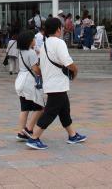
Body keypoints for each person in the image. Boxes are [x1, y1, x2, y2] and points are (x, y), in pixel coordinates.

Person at [26, 18, 85, 150]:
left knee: (64, 110)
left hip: (53, 84)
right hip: (57, 85)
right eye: (61, 27)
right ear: (58, 29)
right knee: (50, 112)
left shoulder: (44, 45)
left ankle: (72, 135)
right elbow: (67, 62)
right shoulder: (59, 43)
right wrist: (75, 70)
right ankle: (34, 138)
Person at [14, 31, 44, 142]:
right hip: (29, 82)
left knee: (24, 108)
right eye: (33, 39)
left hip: (20, 80)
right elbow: (35, 69)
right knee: (40, 107)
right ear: (29, 41)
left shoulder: (20, 52)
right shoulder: (31, 52)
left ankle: (21, 131)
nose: (35, 40)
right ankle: (28, 129)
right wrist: (43, 73)